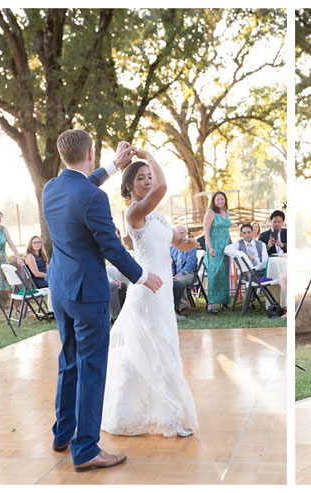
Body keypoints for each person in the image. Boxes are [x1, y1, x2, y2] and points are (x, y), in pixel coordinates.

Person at [44, 129, 162, 471]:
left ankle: (62, 434)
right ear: (89, 153)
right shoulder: (93, 197)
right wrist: (142, 275)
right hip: (87, 295)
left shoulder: (51, 188)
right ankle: (85, 450)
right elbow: (110, 246)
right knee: (92, 369)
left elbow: (81, 185)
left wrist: (113, 165)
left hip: (61, 290)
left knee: (69, 362)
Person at [102, 148, 200, 439]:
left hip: (163, 290)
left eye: (149, 176)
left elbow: (177, 243)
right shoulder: (134, 213)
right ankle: (172, 417)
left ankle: (127, 411)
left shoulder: (157, 217)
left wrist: (191, 243)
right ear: (129, 186)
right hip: (147, 290)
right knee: (160, 349)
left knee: (149, 350)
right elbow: (163, 187)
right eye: (141, 178)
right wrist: (149, 156)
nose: (147, 181)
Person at [202, 191, 232, 313]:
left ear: (225, 200)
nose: (220, 201)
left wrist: (232, 245)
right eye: (217, 199)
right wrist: (210, 247)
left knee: (224, 274)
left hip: (225, 248)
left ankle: (223, 301)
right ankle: (211, 304)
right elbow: (206, 232)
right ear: (214, 201)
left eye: (222, 199)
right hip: (214, 247)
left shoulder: (226, 212)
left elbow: (227, 231)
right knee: (214, 274)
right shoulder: (210, 213)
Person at [170, 224, 198, 320]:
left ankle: (184, 307)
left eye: (182, 233)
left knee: (179, 282)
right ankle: (172, 307)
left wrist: (179, 275)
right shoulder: (171, 248)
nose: (180, 235)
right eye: (178, 233)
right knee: (171, 281)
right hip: (176, 275)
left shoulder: (191, 246)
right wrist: (172, 275)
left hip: (189, 274)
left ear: (186, 234)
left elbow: (191, 264)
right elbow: (172, 264)